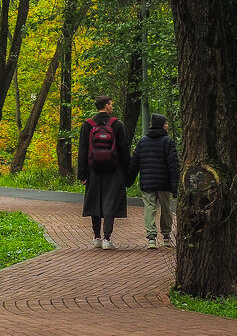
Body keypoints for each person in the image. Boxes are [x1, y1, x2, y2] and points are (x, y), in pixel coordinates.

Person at [77, 96, 131, 249]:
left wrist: (82, 174)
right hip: (114, 170)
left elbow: (83, 150)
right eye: (111, 104)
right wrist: (128, 173)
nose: (112, 106)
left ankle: (96, 237)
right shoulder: (117, 125)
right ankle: (107, 238)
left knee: (95, 200)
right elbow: (124, 151)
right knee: (110, 201)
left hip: (93, 170)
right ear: (106, 106)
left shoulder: (88, 125)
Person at [129, 113, 180, 249]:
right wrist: (175, 187)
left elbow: (134, 163)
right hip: (164, 183)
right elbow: (173, 165)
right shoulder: (168, 142)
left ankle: (151, 237)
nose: (167, 125)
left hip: (147, 182)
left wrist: (129, 180)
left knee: (150, 208)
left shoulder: (143, 141)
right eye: (166, 123)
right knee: (166, 209)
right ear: (162, 125)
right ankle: (166, 236)